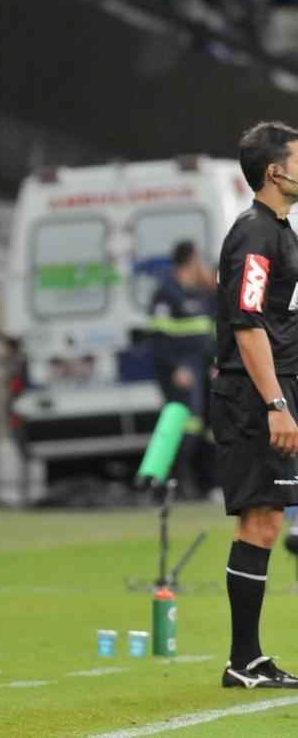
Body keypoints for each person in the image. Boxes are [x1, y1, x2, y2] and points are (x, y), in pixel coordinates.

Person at [211, 121, 298, 689]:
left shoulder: (280, 230)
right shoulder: (254, 233)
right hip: (254, 395)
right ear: (275, 171)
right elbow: (247, 324)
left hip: (275, 388)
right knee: (261, 520)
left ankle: (250, 659)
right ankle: (243, 661)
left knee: (267, 522)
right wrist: (275, 402)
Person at [148, 240, 217, 497]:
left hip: (200, 370)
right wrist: (176, 368)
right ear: (191, 260)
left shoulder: (199, 294)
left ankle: (197, 484)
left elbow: (208, 337)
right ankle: (164, 483)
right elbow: (159, 337)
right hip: (180, 373)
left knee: (199, 428)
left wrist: (213, 365)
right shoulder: (167, 294)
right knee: (181, 427)